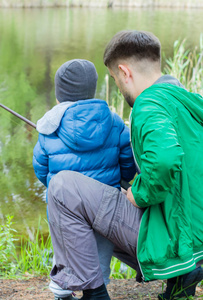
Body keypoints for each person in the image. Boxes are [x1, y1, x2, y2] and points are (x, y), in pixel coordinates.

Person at [47, 31, 203, 300]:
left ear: (124, 71)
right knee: (112, 195)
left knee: (62, 188)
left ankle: (93, 294)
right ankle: (181, 276)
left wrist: (140, 193)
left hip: (176, 236)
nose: (118, 86)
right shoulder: (189, 101)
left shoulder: (148, 104)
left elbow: (165, 160)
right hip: (194, 235)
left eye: (115, 80)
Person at [33, 59, 137, 300]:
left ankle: (62, 292)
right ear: (92, 90)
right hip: (104, 208)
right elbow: (128, 169)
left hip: (65, 211)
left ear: (59, 96)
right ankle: (96, 291)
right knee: (99, 261)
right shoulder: (115, 124)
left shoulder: (50, 129)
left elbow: (41, 169)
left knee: (66, 248)